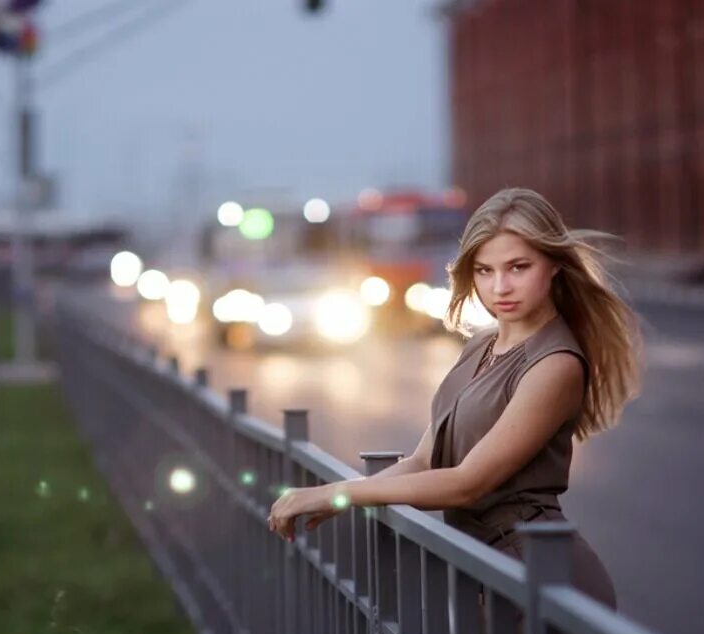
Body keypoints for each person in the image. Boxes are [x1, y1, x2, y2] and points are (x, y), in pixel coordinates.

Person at [266, 186, 643, 610]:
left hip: (540, 573)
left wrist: (341, 495)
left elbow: (467, 484)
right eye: (484, 271)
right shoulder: (480, 345)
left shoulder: (555, 363)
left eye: (518, 267)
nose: (500, 286)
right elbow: (422, 462)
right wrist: (336, 496)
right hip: (485, 570)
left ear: (554, 266)